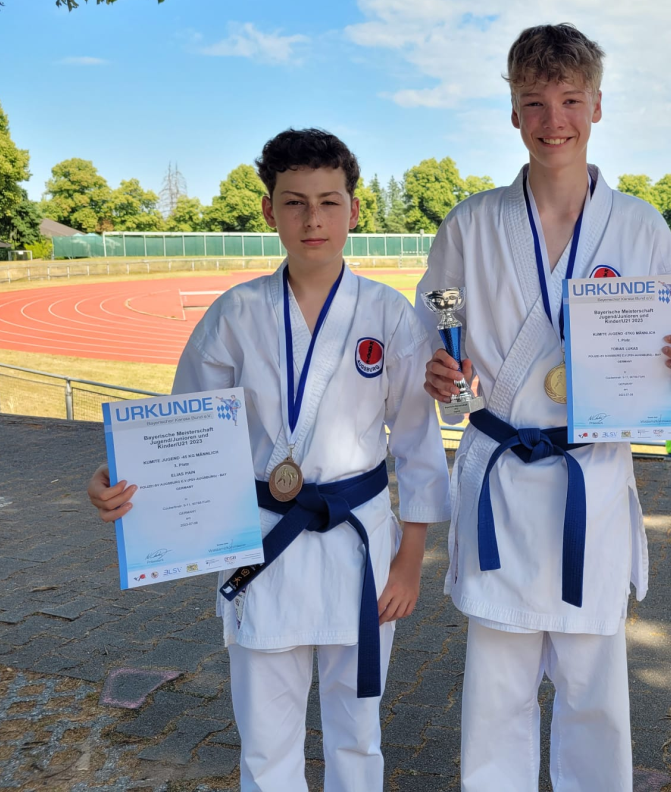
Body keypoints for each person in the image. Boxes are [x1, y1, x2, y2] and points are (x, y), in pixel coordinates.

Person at [87, 129, 451, 791]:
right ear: (268, 212)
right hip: (260, 545)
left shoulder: (390, 316)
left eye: (329, 201)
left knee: (358, 738)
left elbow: (419, 441)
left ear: (355, 210)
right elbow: (180, 432)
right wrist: (116, 481)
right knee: (265, 744)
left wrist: (410, 559)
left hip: (360, 542)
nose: (313, 219)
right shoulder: (234, 315)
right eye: (294, 202)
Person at [416, 24, 671, 791]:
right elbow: (432, 328)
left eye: (570, 100)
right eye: (534, 102)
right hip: (503, 475)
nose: (554, 121)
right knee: (497, 693)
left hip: (593, 478)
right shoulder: (471, 223)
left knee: (593, 690)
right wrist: (436, 368)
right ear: (513, 112)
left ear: (598, 106)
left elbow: (662, 353)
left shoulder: (641, 226)